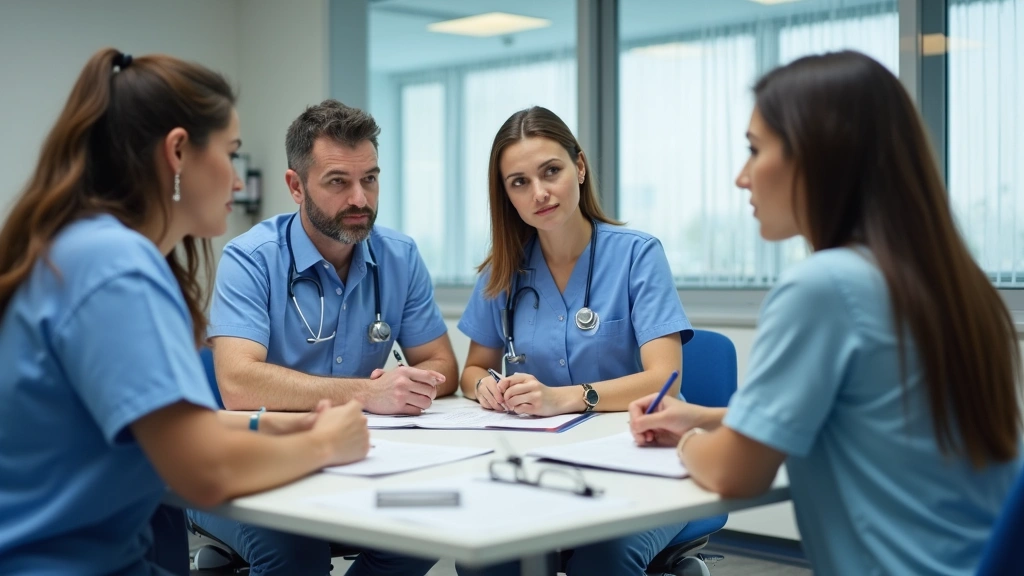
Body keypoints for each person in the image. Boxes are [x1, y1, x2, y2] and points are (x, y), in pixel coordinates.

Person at [629, 50, 1024, 576]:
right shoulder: (951, 283)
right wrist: (699, 417)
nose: (741, 177)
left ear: (818, 156)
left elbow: (733, 474)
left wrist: (693, 443)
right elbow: (865, 418)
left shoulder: (824, 286)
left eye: (754, 150)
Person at [0, 48, 371, 575]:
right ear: (178, 152)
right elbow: (204, 474)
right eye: (231, 153)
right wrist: (325, 445)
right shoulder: (117, 266)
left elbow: (175, 430)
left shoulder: (81, 248)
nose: (240, 182)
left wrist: (274, 429)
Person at [187, 99, 456, 575]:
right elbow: (237, 384)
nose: (360, 199)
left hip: (351, 460)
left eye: (370, 179)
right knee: (296, 555)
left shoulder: (399, 256)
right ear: (296, 186)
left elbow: (441, 364)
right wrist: (369, 393)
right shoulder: (251, 259)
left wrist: (414, 382)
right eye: (338, 182)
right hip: (248, 461)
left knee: (424, 530)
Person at [456, 106, 694, 575]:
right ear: (505, 194)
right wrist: (485, 386)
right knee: (486, 560)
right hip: (545, 466)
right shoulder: (503, 271)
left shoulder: (637, 256)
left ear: (579, 167)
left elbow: (665, 376)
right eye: (519, 182)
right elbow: (471, 370)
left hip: (642, 460)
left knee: (602, 559)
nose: (539, 193)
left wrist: (564, 398)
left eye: (551, 171)